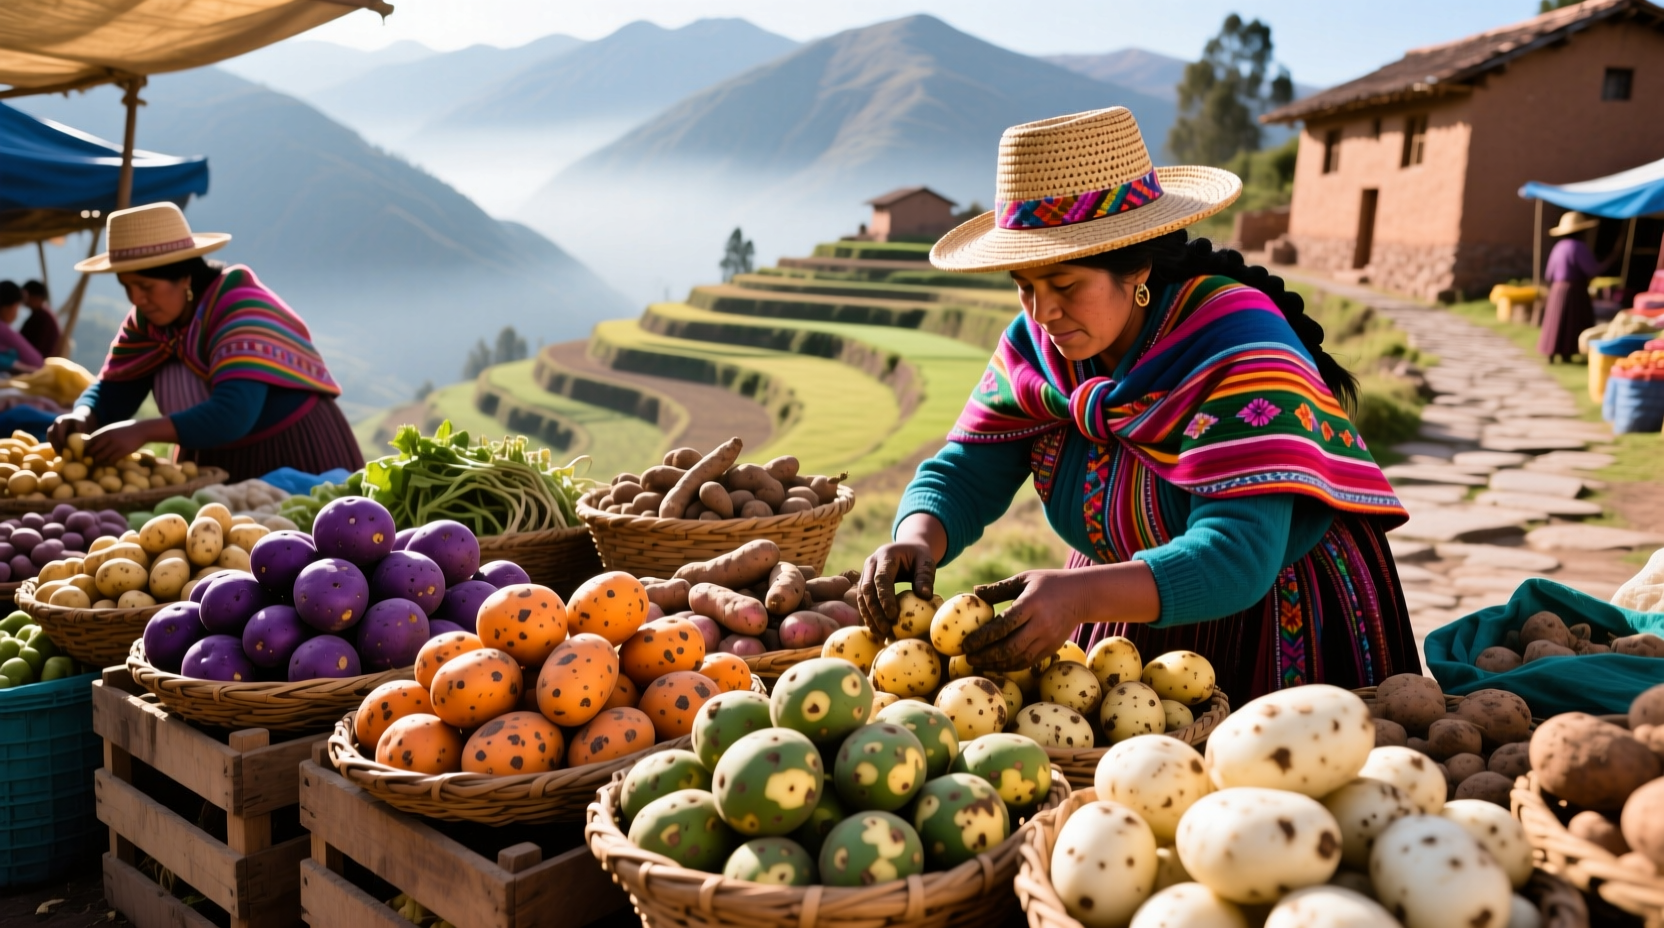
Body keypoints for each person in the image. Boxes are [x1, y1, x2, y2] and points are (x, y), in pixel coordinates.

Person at [856, 107, 1419, 706]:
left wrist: (1080, 597)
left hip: (1274, 614)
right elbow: (967, 471)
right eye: (1024, 285)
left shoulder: (1237, 345)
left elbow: (1237, 555)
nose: (1043, 312)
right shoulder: (1041, 347)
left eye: (1066, 285)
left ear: (1137, 266)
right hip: (1119, 603)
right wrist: (918, 538)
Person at [47, 202, 364, 481]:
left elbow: (233, 413)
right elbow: (115, 388)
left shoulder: (240, 308)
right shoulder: (148, 322)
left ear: (184, 276)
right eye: (127, 286)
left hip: (290, 452)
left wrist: (142, 431)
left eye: (145, 286)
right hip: (209, 459)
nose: (136, 299)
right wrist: (84, 414)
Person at [1537, 211, 1616, 363]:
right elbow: (1592, 270)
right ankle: (1568, 352)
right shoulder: (1579, 247)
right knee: (1572, 322)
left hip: (1556, 290)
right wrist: (1609, 262)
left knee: (1557, 321)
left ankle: (1553, 353)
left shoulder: (1558, 247)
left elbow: (1549, 274)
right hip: (1574, 290)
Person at [0, 281, 44, 372]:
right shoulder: (3, 329)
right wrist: (13, 365)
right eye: (17, 306)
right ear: (11, 307)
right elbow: (37, 362)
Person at [20, 280, 62, 360]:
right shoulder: (42, 315)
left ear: (35, 297)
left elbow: (38, 348)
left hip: (38, 363)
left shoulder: (42, 318)